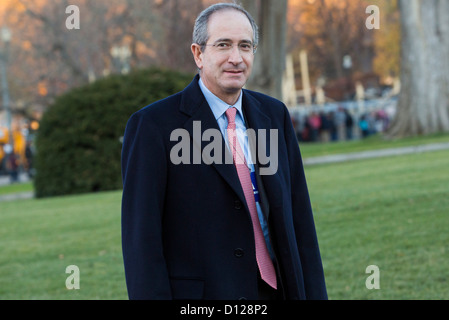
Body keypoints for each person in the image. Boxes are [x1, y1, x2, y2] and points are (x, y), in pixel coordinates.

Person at [121, 2, 327, 300]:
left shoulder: (274, 115)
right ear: (198, 54)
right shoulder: (153, 126)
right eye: (223, 45)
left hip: (276, 290)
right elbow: (142, 241)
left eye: (245, 46)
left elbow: (300, 222)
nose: (236, 58)